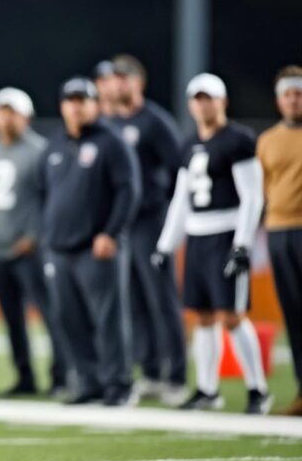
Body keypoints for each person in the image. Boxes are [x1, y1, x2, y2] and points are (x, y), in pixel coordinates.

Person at [153, 73, 271, 414]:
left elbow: (252, 196)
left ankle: (257, 389)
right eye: (197, 98)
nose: (203, 104)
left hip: (226, 233)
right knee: (202, 317)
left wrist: (242, 244)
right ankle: (207, 389)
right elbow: (180, 199)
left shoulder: (238, 140)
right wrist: (165, 244)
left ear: (223, 101)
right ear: (191, 104)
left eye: (209, 98)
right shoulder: (189, 145)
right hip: (197, 237)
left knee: (231, 316)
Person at [41, 76, 140, 407]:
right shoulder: (54, 144)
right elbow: (47, 194)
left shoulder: (112, 142)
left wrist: (111, 233)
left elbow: (128, 192)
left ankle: (118, 384)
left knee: (108, 319)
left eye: (83, 100)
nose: (76, 106)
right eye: (70, 100)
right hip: (60, 248)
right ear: (62, 105)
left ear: (95, 104)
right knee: (69, 319)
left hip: (96, 247)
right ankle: (87, 381)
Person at [0, 87, 67, 397]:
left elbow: (54, 199)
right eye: (0, 111)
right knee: (12, 319)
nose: (6, 118)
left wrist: (34, 236)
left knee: (52, 315)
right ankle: (24, 377)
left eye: (12, 111)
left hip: (31, 251)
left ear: (27, 116)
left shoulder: (41, 152)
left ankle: (61, 376)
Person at [106, 54, 187, 404]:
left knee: (161, 298)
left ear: (140, 82)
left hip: (151, 221)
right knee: (135, 300)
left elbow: (180, 170)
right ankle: (152, 371)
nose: (119, 84)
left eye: (125, 78)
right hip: (123, 223)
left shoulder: (155, 122)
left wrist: (168, 214)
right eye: (115, 78)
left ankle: (177, 376)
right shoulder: (109, 121)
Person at [257, 65, 302, 416]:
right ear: (278, 100)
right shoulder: (267, 140)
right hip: (278, 230)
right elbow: (263, 190)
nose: (293, 99)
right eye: (288, 94)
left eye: (298, 93)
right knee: (293, 312)